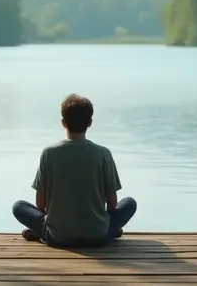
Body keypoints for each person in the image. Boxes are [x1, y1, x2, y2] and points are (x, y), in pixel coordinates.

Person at [11, 93, 137, 247]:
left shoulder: (49, 153)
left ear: (63, 123)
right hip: (97, 235)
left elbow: (40, 204)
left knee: (19, 207)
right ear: (90, 123)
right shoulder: (104, 154)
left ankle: (42, 233)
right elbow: (112, 203)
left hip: (58, 237)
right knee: (130, 203)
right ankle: (110, 230)